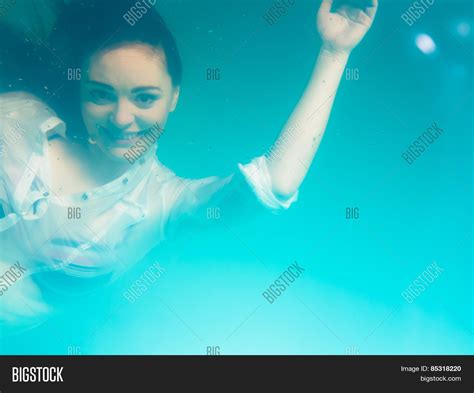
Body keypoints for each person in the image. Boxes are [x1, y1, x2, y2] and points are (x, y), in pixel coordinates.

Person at [0, 0, 378, 327]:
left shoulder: (159, 204)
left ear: (174, 97)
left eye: (145, 98)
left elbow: (275, 183)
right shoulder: (19, 121)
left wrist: (334, 53)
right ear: (81, 90)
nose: (120, 118)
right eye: (101, 95)